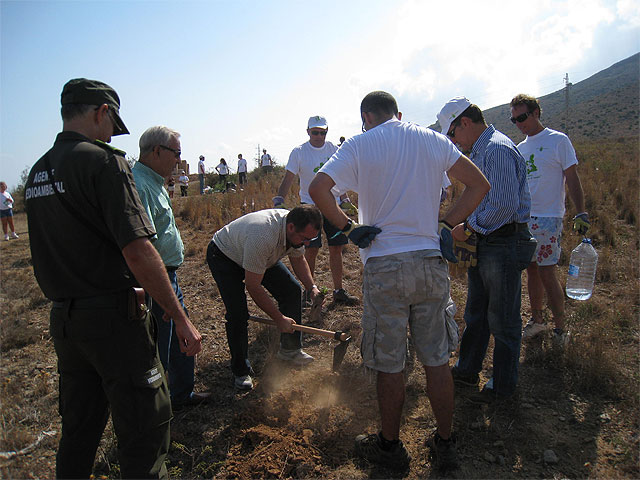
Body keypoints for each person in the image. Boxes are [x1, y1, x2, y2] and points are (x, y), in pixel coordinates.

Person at [24, 78, 202, 479]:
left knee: (80, 428)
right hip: (113, 318)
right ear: (101, 112)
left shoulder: (39, 171)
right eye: (110, 123)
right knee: (146, 424)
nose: (111, 133)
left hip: (66, 321)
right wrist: (179, 317)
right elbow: (138, 250)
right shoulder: (104, 162)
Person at [309, 91, 490, 471]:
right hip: (429, 263)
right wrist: (444, 224)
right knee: (437, 361)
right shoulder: (434, 140)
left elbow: (318, 189)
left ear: (366, 117)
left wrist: (348, 227)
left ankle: (390, 449)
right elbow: (479, 185)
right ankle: (445, 442)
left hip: (385, 264)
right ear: (399, 114)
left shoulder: (360, 143)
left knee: (391, 364)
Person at [437, 96, 536, 404]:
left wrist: (467, 228)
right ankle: (467, 370)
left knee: (503, 317)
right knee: (477, 312)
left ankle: (503, 385)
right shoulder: (482, 150)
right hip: (488, 241)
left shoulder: (496, 149)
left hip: (502, 241)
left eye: (453, 133)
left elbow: (503, 206)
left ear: (465, 122)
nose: (453, 141)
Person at [132, 126, 212, 410]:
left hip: (168, 275)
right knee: (161, 344)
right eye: (176, 153)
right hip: (156, 278)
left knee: (182, 334)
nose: (179, 159)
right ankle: (157, 409)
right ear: (156, 151)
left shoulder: (154, 181)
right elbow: (142, 248)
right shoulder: (139, 186)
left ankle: (181, 395)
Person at [206, 205, 323, 390]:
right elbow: (253, 286)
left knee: (292, 291)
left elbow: (299, 259)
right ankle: (240, 371)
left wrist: (312, 288)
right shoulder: (263, 235)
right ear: (291, 227)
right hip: (225, 255)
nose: (307, 244)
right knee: (238, 313)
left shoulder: (295, 233)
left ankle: (290, 350)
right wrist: (279, 319)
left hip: (258, 255)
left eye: (311, 239)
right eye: (305, 239)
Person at [510, 94, 589, 346]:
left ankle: (561, 329)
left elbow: (572, 178)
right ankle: (537, 320)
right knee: (531, 270)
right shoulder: (520, 149)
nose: (519, 123)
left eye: (522, 117)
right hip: (525, 219)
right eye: (514, 120)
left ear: (536, 113)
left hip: (548, 218)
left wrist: (581, 211)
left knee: (547, 272)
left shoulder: (558, 141)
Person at [274, 115, 358, 306]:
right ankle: (308, 291)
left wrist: (344, 198)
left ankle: (338, 291)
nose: (319, 136)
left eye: (322, 132)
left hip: (332, 204)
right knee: (311, 249)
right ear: (308, 131)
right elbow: (288, 178)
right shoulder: (299, 152)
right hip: (309, 206)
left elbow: (340, 177)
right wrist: (280, 198)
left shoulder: (334, 150)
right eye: (315, 132)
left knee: (336, 247)